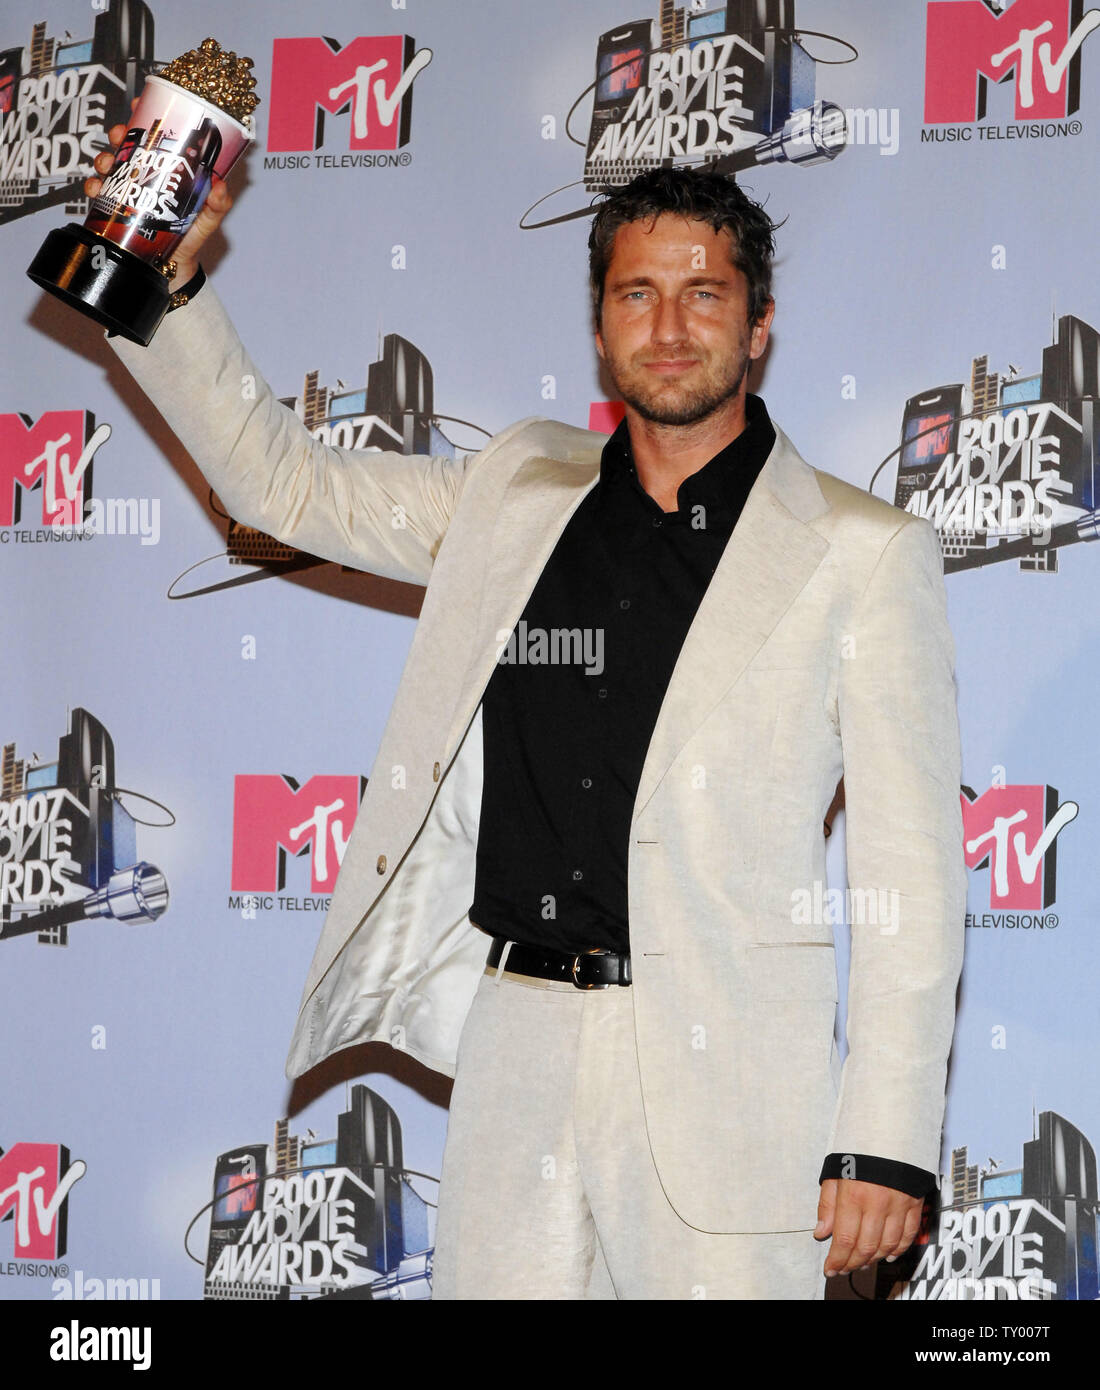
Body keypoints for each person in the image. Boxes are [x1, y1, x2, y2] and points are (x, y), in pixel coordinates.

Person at [85, 128, 967, 1300]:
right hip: (517, 1049)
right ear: (599, 329)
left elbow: (913, 874)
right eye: (635, 294)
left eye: (704, 294)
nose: (668, 327)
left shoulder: (864, 552)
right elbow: (281, 484)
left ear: (757, 324)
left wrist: (885, 1133)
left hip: (735, 1074)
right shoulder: (513, 493)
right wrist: (168, 279)